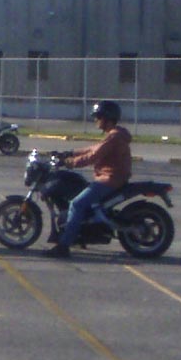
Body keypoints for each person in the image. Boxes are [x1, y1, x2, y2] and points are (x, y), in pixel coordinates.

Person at [43, 100, 132, 258]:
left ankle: (63, 246)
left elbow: (93, 156)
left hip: (110, 179)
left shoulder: (114, 137)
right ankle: (79, 235)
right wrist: (69, 153)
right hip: (109, 178)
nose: (96, 120)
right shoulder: (114, 135)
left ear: (107, 118)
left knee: (77, 204)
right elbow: (92, 148)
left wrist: (69, 162)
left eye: (98, 117)